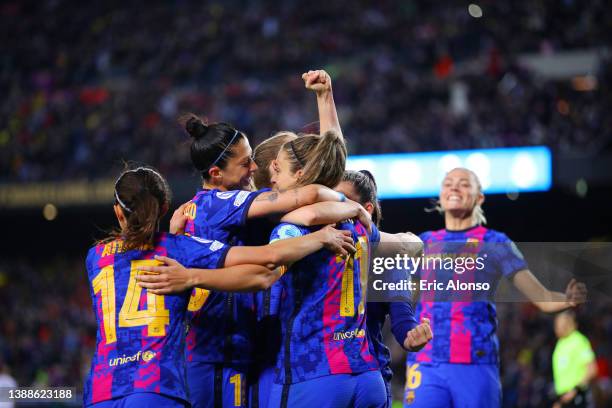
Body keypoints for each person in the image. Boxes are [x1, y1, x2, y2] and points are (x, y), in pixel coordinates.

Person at [84, 166, 355, 407]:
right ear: (165, 207)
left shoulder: (95, 257)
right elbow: (267, 261)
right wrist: (319, 237)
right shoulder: (179, 248)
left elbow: (135, 259)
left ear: (117, 211)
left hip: (101, 391)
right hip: (155, 389)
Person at [403, 167, 587, 408]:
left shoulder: (495, 243)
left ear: (479, 198)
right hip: (425, 363)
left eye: (464, 184)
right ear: (440, 195)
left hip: (474, 363)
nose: (454, 188)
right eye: (448, 183)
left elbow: (541, 297)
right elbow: (405, 301)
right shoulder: (424, 241)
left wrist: (567, 299)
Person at [335, 170, 432, 407]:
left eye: (343, 200)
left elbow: (402, 319)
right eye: (331, 198)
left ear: (366, 209)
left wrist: (411, 337)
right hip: (323, 375)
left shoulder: (387, 260)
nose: (335, 207)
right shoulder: (318, 247)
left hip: (369, 372)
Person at [552, 310, 597, 408]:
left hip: (578, 396)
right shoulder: (560, 343)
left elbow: (592, 370)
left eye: (558, 325)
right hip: (564, 397)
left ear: (568, 324)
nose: (556, 329)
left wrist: (575, 390)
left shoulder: (579, 341)